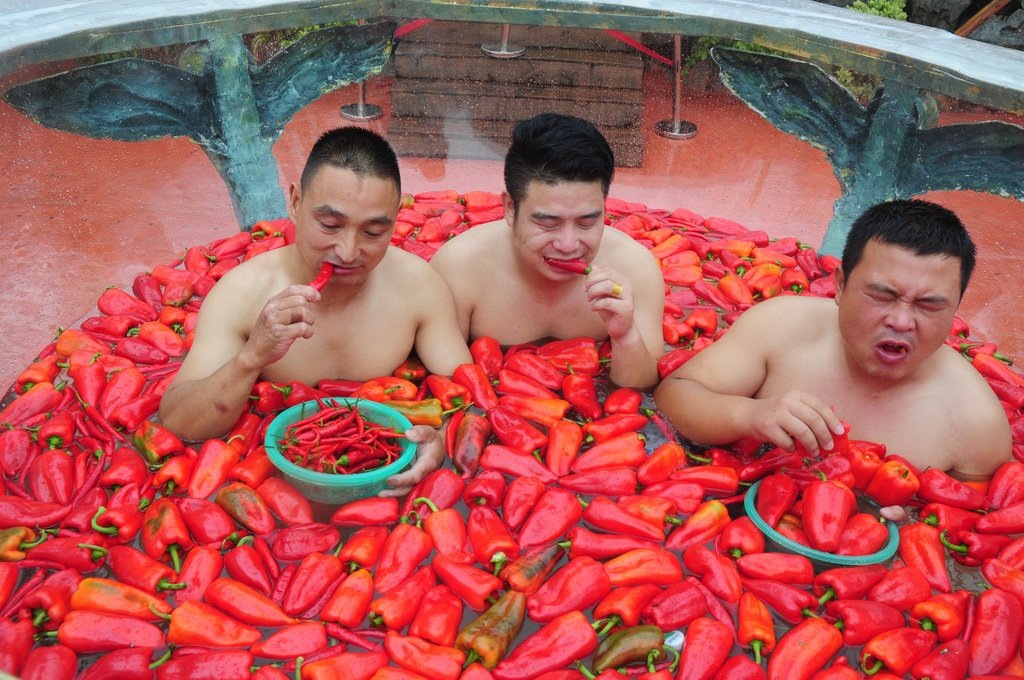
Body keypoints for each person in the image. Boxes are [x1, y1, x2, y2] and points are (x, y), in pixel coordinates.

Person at [160, 127, 472, 496]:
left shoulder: (418, 286)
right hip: (275, 485)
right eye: (330, 225)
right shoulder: (241, 294)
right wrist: (252, 356)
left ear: (395, 217)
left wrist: (440, 441)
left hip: (382, 480)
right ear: (294, 202)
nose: (348, 250)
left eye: (373, 232)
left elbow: (471, 402)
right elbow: (178, 421)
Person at [654, 199, 1012, 482]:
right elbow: (674, 395)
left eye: (929, 305)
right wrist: (749, 414)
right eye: (882, 295)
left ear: (955, 310)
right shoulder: (781, 326)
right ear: (839, 285)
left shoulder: (975, 423)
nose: (902, 321)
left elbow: (978, 528)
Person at [430, 113, 664, 389]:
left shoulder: (636, 269)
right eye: (547, 223)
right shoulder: (459, 268)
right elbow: (448, 385)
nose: (568, 245)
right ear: (509, 208)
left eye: (586, 222)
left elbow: (646, 389)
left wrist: (626, 336)